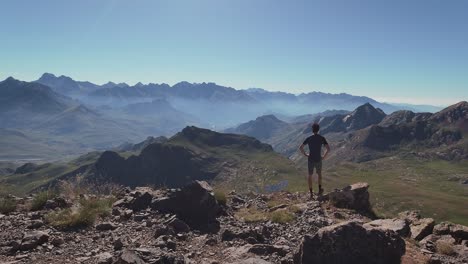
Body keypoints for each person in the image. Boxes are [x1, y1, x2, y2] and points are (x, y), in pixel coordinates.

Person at [299, 123, 330, 199]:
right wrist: (324, 157)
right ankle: (320, 190)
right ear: (318, 129)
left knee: (310, 175)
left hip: (310, 159)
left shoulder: (309, 138)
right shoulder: (322, 138)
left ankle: (311, 192)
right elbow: (328, 149)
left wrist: (306, 154)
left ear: (312, 129)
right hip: (318, 159)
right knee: (319, 174)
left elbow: (301, 147)